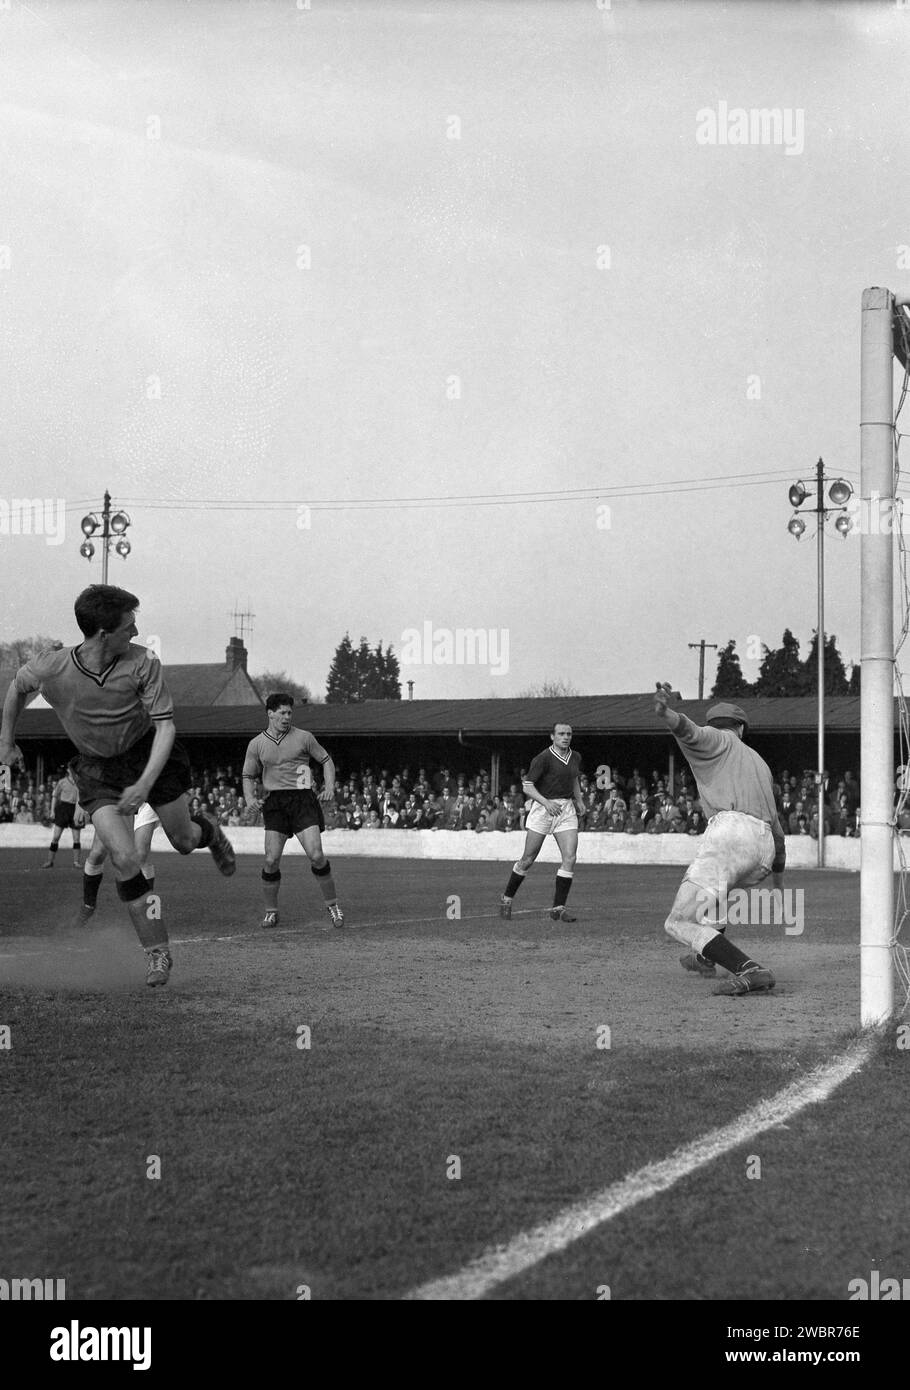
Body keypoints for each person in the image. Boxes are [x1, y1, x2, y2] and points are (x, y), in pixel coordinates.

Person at [0, 586, 236, 988]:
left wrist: (145, 782)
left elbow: (166, 727)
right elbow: (18, 688)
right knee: (125, 859)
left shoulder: (143, 662)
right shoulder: (50, 666)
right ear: (103, 633)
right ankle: (157, 953)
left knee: (182, 839)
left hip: (149, 757)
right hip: (97, 769)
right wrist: (6, 739)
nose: (137, 631)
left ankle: (208, 831)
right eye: (129, 625)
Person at [653, 687, 782, 995]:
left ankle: (751, 969)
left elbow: (690, 731)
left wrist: (665, 713)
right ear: (741, 728)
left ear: (718, 725)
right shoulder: (760, 763)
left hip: (732, 834)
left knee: (678, 922)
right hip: (764, 849)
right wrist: (778, 879)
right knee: (716, 899)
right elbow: (777, 830)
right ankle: (704, 958)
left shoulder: (718, 739)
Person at [242, 693, 344, 929]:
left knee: (317, 855)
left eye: (290, 713)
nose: (287, 717)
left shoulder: (304, 737)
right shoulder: (257, 744)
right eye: (282, 713)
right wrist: (249, 799)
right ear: (270, 713)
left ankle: (333, 906)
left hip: (302, 800)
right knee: (271, 860)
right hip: (275, 803)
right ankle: (271, 912)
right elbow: (248, 774)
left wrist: (329, 788)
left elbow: (326, 760)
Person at [498, 722, 585, 923]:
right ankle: (507, 898)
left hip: (565, 809)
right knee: (528, 858)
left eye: (569, 734)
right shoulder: (543, 758)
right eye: (561, 734)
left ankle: (558, 908)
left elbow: (574, 780)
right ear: (552, 736)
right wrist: (546, 803)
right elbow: (528, 787)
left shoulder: (575, 756)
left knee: (570, 857)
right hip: (543, 808)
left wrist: (579, 799)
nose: (566, 737)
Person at [76, 800, 159, 926]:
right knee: (97, 854)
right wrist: (79, 803)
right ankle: (88, 905)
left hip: (147, 797)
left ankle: (147, 917)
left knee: (140, 855)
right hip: (117, 794)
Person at [43, 768, 85, 868]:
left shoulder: (80, 782)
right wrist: (52, 810)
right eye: (71, 768)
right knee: (56, 837)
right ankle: (50, 861)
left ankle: (76, 862)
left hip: (76, 808)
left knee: (76, 838)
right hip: (63, 808)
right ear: (68, 770)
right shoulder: (62, 782)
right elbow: (54, 796)